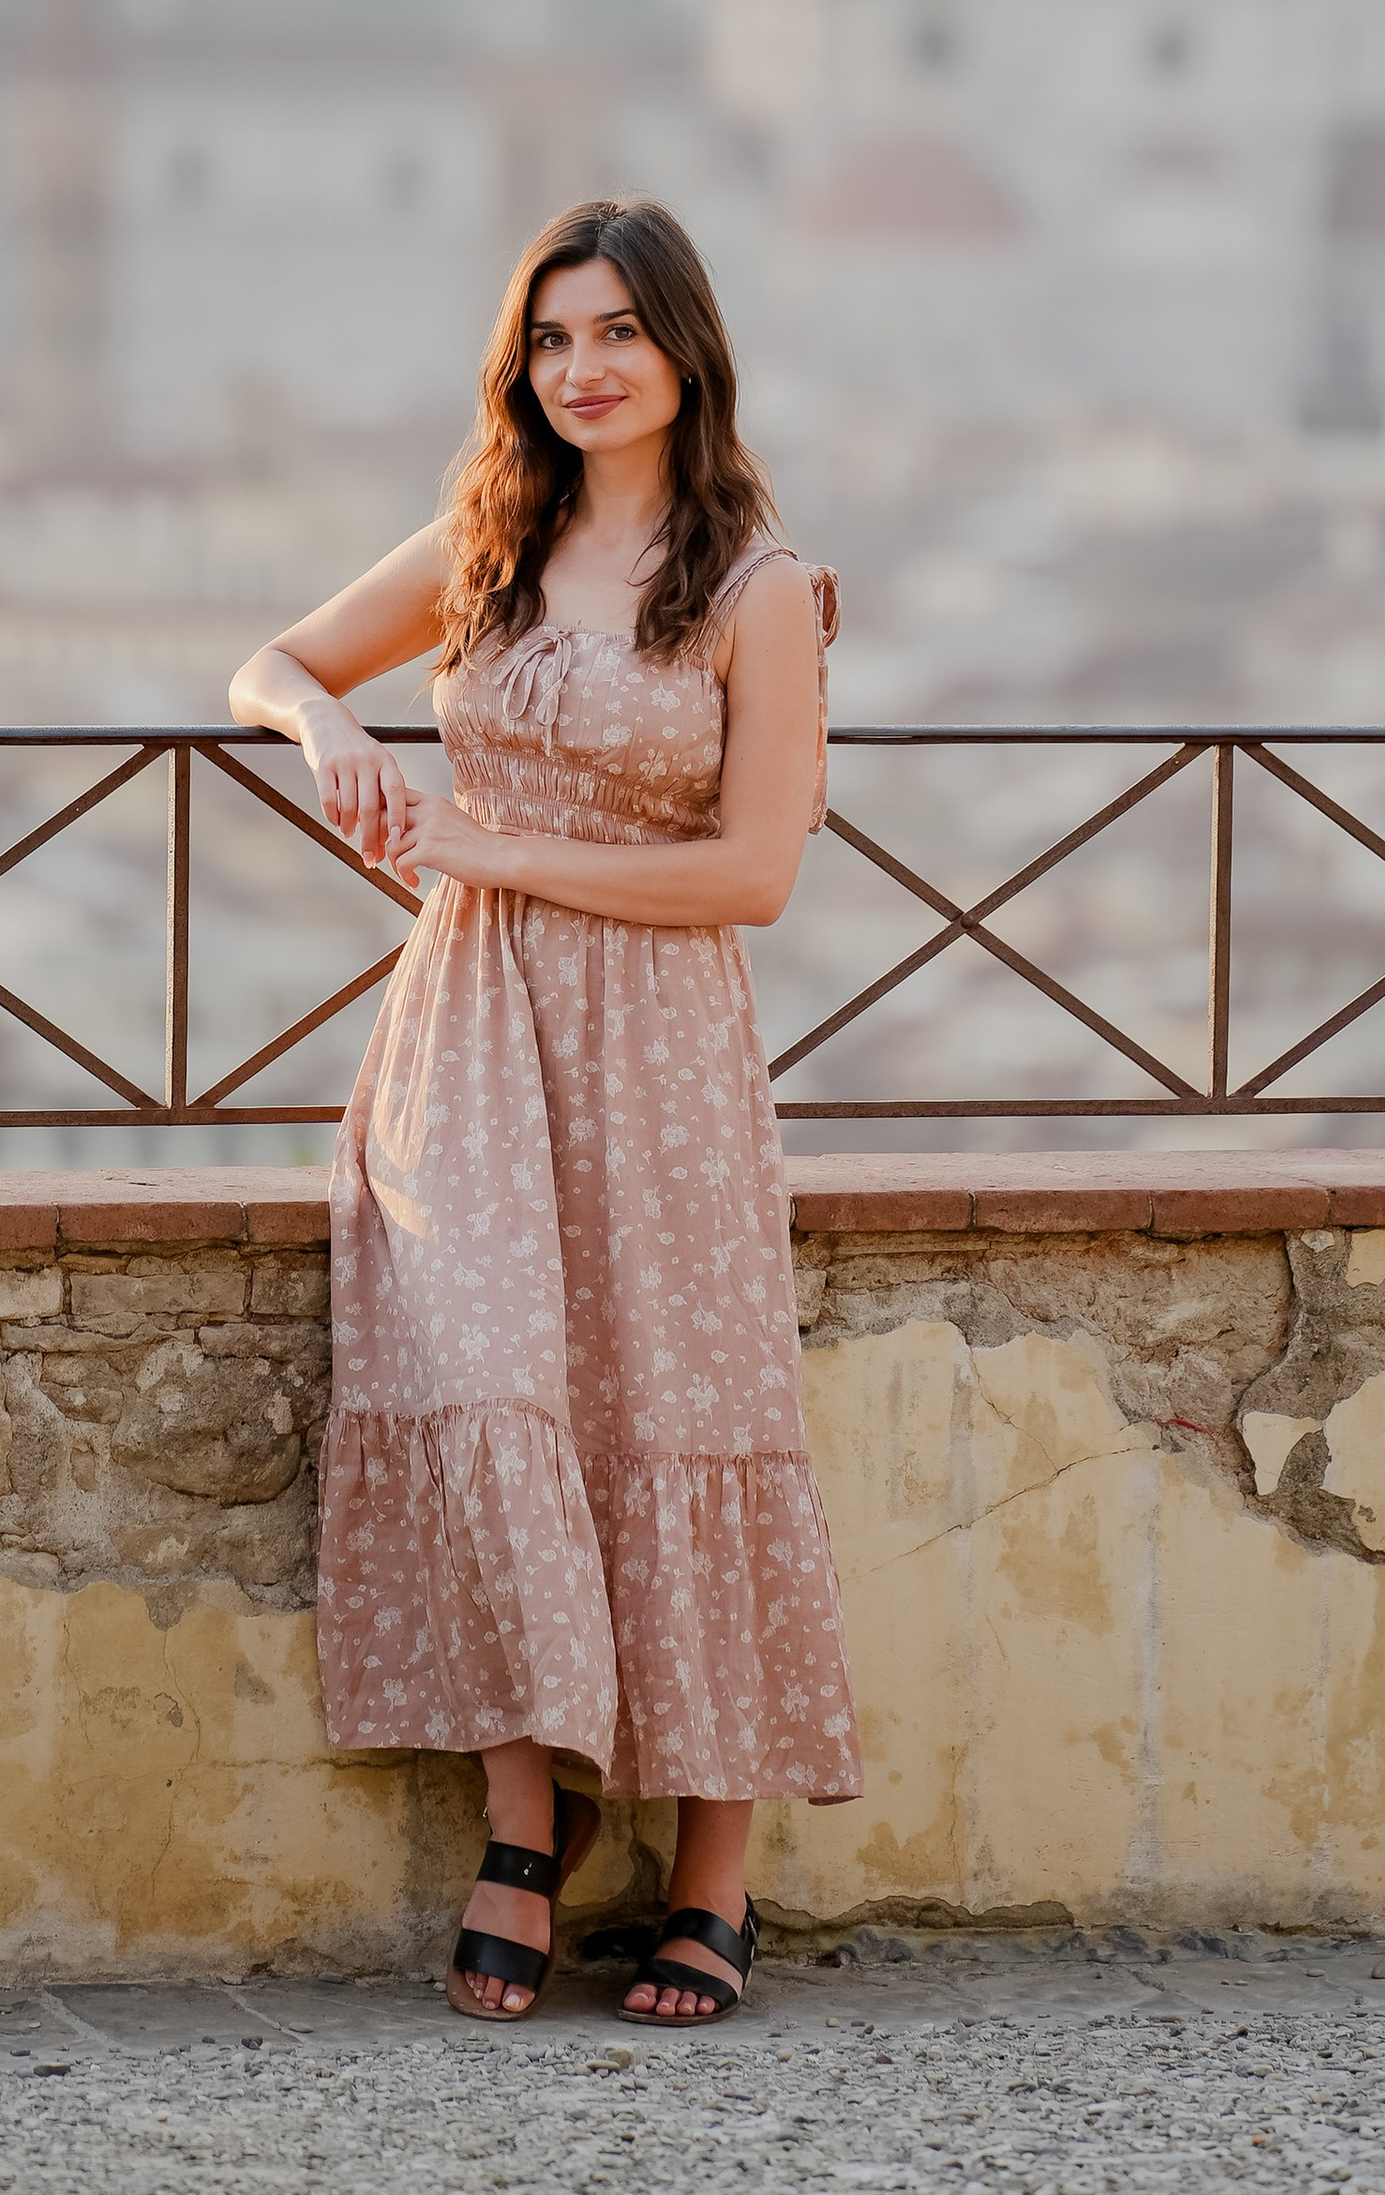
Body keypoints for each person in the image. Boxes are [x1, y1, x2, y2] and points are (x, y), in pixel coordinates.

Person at [230, 196, 862, 2027]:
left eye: (615, 337)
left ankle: (714, 1874)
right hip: (471, 1032)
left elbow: (754, 878)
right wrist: (330, 733)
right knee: (485, 1388)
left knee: (686, 1410)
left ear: (686, 353)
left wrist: (493, 840)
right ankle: (528, 1826)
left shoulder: (760, 589)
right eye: (550, 342)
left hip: (660, 1043)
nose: (582, 372)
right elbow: (271, 663)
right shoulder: (488, 546)